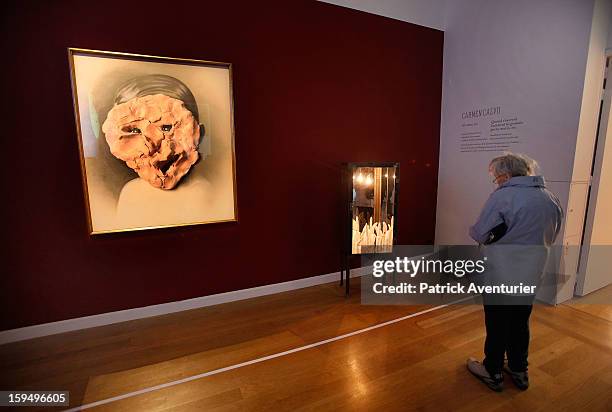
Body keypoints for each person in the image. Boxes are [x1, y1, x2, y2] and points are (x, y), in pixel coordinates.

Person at [466, 153, 563, 392]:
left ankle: (493, 371)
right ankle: (519, 369)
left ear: (507, 175)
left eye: (496, 177)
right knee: (520, 321)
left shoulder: (503, 196)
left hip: (501, 272)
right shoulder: (549, 197)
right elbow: (553, 233)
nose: (496, 182)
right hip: (532, 272)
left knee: (498, 322)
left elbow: (479, 233)